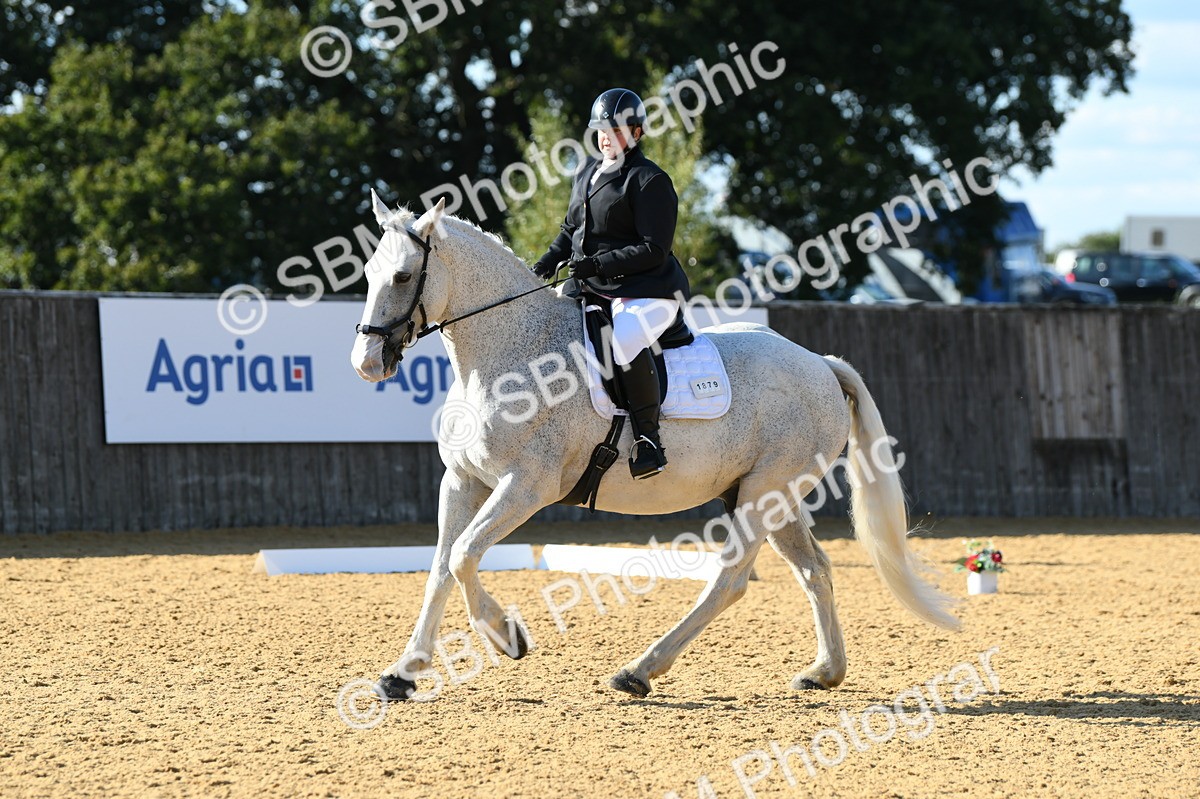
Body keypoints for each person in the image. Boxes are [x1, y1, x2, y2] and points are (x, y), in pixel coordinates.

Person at [532, 88, 691, 480]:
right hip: (591, 283)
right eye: (602, 130)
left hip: (647, 286)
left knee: (625, 339)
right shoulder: (587, 171)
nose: (606, 137)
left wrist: (596, 264)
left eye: (616, 130)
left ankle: (648, 440)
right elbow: (571, 230)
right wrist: (544, 264)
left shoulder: (650, 179)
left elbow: (654, 249)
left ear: (636, 132)